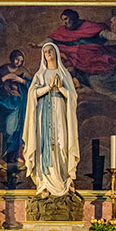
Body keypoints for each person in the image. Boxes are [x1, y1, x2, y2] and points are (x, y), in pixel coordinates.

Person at [23, 42, 80, 197]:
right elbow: (32, 95)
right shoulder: (40, 75)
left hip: (59, 111)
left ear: (56, 53)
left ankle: (63, 180)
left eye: (50, 50)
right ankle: (44, 185)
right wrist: (47, 88)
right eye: (45, 51)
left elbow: (73, 97)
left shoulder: (64, 74)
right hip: (43, 113)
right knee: (43, 145)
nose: (48, 53)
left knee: (62, 145)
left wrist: (61, 88)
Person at [0, 49, 31, 161]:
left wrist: (20, 80)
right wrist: (4, 78)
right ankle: (10, 152)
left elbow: (32, 84)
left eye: (21, 61)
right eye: (17, 59)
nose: (18, 63)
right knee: (10, 125)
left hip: (18, 100)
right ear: (12, 58)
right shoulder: (4, 69)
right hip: (5, 99)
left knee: (19, 117)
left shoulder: (23, 70)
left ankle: (17, 152)